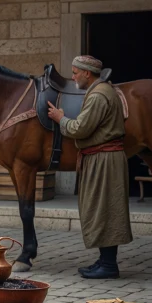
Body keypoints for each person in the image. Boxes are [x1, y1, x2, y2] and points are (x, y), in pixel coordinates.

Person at [47, 54, 133, 278]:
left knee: (106, 209)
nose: (73, 76)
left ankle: (109, 266)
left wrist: (60, 118)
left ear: (87, 73)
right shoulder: (99, 91)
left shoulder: (98, 96)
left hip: (105, 160)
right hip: (100, 158)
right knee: (100, 208)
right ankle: (104, 260)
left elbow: (79, 129)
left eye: (75, 72)